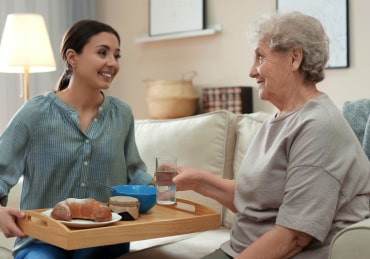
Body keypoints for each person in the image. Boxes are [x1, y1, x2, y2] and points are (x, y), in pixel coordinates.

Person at [172, 12, 370, 259]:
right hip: (238, 250)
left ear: (294, 58)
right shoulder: (278, 118)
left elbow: (293, 237)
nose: (252, 71)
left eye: (260, 57)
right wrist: (198, 181)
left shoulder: (319, 126)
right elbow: (259, 203)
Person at [0, 19, 153, 259]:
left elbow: (135, 173)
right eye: (102, 53)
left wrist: (163, 186)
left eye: (117, 55)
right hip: (43, 240)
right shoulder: (35, 112)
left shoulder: (122, 113)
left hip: (104, 239)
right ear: (73, 57)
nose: (112, 63)